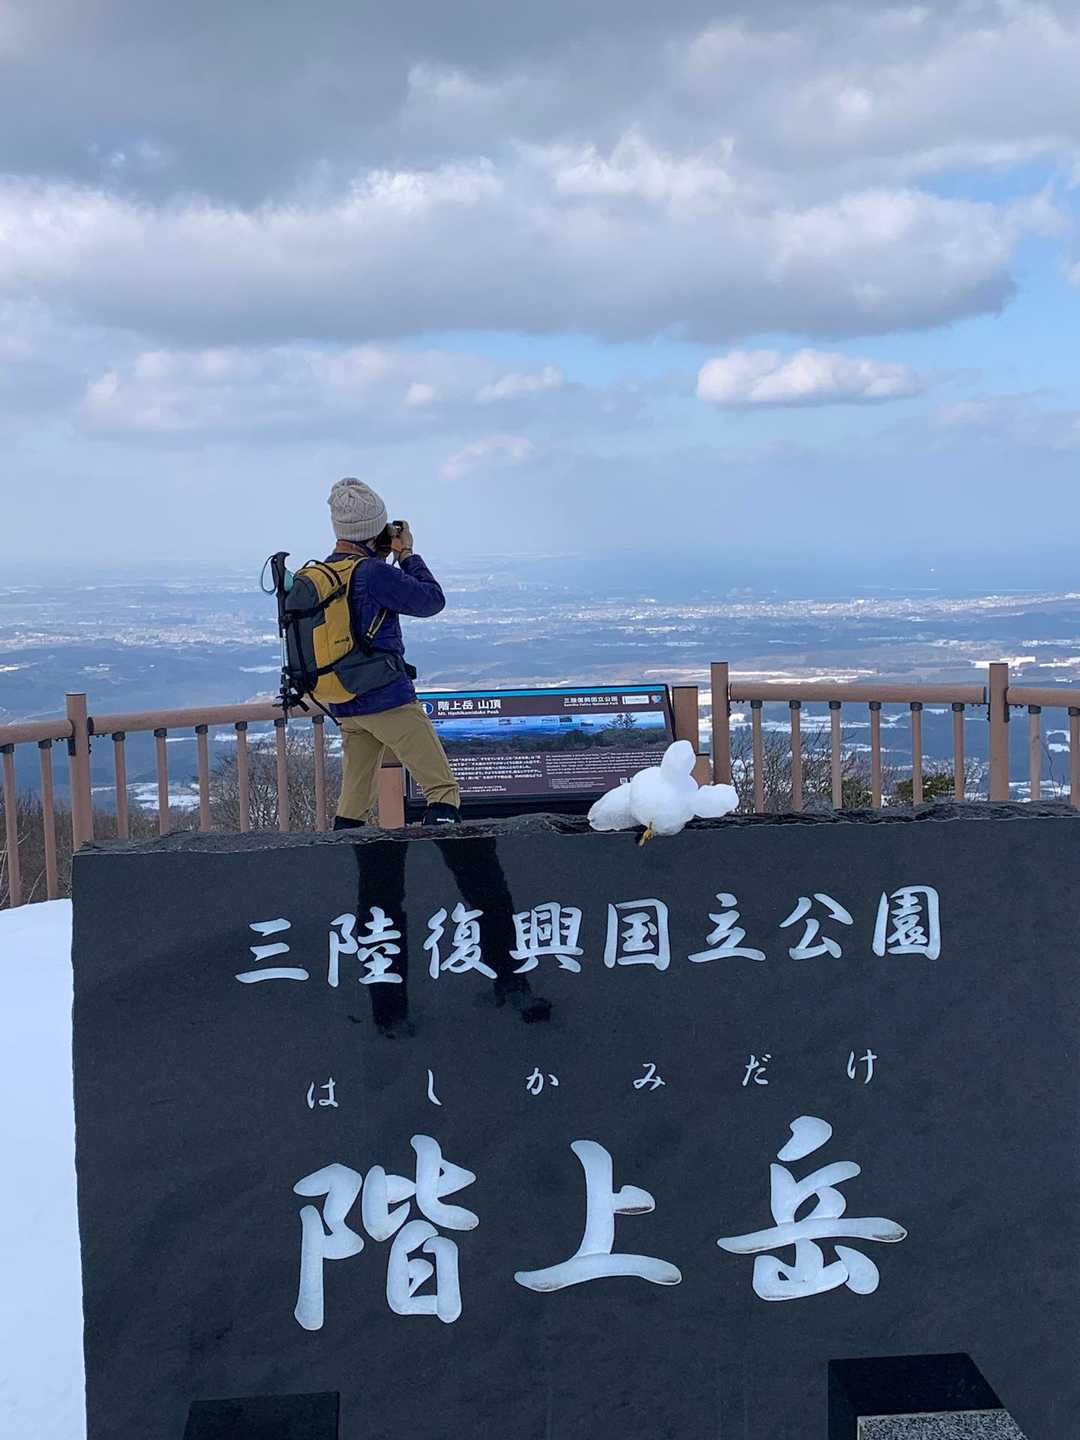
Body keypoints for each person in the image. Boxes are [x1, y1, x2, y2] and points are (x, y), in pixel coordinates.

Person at [324, 477, 461, 829]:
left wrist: (379, 553)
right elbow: (431, 600)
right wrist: (406, 555)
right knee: (442, 790)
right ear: (374, 528)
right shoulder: (373, 573)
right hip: (387, 700)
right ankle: (446, 859)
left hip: (345, 702)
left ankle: (343, 856)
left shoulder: (328, 571)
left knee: (353, 805)